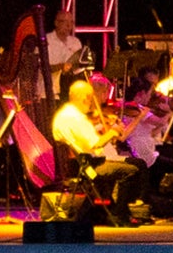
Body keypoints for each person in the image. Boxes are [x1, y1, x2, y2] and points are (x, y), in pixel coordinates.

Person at [51, 79, 151, 223]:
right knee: (131, 170)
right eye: (90, 99)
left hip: (77, 163)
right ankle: (118, 214)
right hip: (88, 165)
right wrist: (112, 132)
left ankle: (108, 211)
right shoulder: (76, 118)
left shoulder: (62, 114)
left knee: (130, 166)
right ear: (85, 98)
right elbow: (96, 144)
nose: (91, 103)